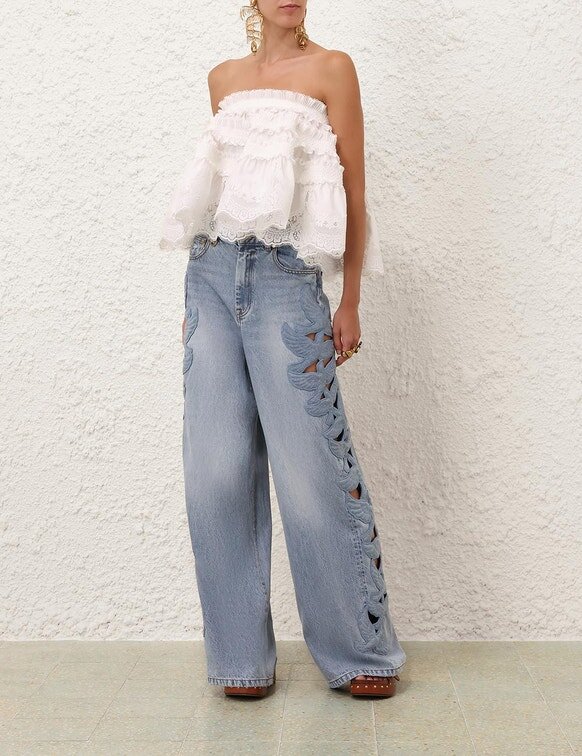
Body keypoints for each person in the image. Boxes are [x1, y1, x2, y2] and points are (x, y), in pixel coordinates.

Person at [159, 0, 406, 698]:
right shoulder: (223, 78)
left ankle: (361, 652)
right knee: (214, 473)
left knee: (312, 473)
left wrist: (349, 299)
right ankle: (240, 660)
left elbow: (354, 189)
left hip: (286, 282)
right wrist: (195, 312)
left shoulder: (333, 69)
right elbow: (224, 190)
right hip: (209, 279)